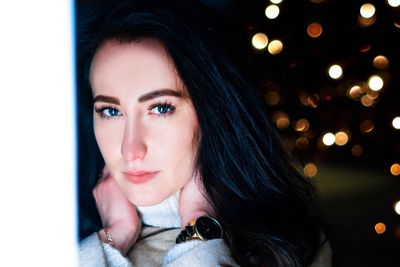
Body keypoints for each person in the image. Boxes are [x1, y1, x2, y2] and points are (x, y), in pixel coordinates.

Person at [77, 0, 332, 266]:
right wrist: (111, 238)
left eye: (161, 108)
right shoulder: (59, 235)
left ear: (212, 112)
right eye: (110, 111)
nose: (130, 149)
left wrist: (198, 226)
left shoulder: (290, 245)